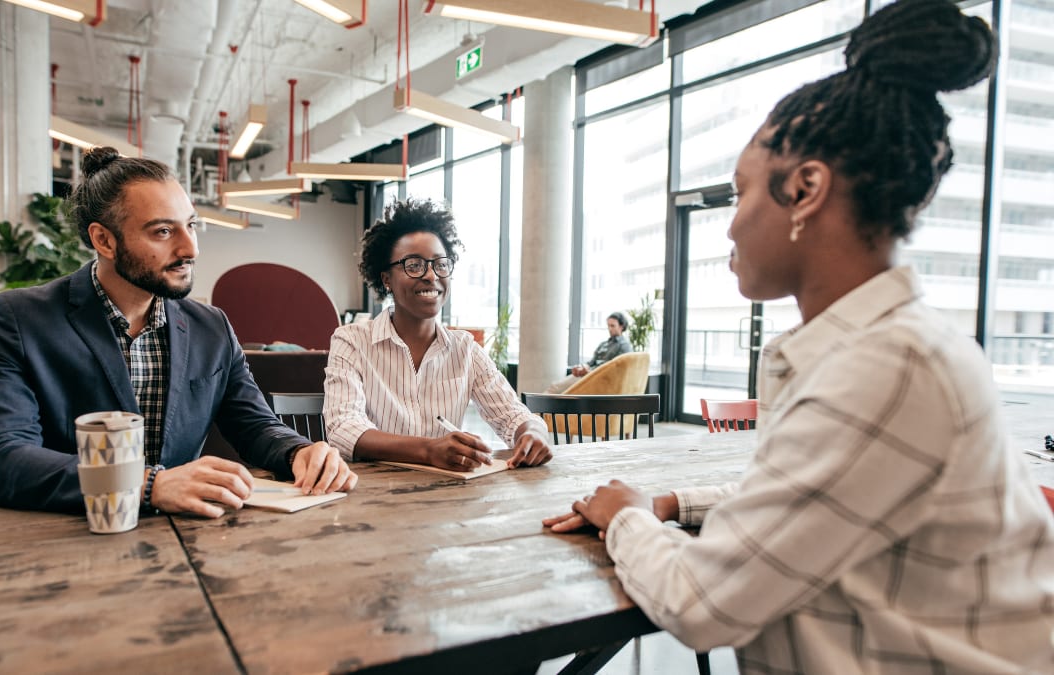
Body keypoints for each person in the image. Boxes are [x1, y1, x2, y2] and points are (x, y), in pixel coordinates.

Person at [543, 0, 1054, 671]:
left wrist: (630, 518)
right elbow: (807, 493)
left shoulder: (888, 365)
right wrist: (667, 501)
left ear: (806, 189)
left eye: (740, 192)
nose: (729, 226)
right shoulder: (875, 348)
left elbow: (701, 600)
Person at [0, 147, 357, 517]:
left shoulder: (211, 327)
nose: (191, 249)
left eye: (190, 226)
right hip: (66, 540)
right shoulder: (18, 319)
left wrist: (298, 453)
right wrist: (149, 485)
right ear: (104, 240)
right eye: (163, 232)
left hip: (187, 541)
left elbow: (254, 424)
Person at [324, 198, 553, 471]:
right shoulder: (351, 340)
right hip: (371, 492)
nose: (431, 276)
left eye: (440, 264)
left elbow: (512, 414)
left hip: (446, 495)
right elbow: (343, 427)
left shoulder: (465, 348)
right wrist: (428, 449)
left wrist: (532, 434)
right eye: (414, 265)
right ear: (386, 279)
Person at [545, 311, 633, 393]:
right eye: (608, 325)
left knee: (557, 388)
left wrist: (590, 372)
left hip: (598, 378)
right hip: (588, 375)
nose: (609, 329)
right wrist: (581, 368)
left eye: (612, 326)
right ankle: (538, 409)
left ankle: (537, 408)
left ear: (621, 327)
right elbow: (591, 362)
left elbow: (616, 370)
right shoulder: (603, 344)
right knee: (555, 386)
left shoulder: (624, 346)